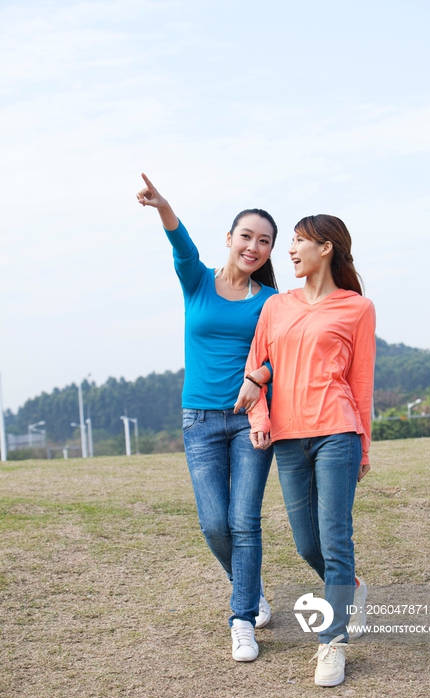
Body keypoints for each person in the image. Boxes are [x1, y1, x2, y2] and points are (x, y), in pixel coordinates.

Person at [136, 173, 278, 662]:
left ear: (270, 250)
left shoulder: (271, 301)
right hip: (198, 420)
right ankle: (252, 587)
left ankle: (242, 620)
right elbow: (181, 246)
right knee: (214, 523)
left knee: (244, 521)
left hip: (250, 419)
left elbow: (284, 356)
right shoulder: (197, 282)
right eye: (246, 236)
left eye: (264, 241)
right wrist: (164, 207)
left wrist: (258, 376)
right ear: (230, 239)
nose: (253, 246)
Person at [234, 214, 375, 686]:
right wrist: (259, 418)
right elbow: (259, 364)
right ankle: (350, 589)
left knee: (336, 540)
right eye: (289, 243)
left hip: (338, 431)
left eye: (298, 242)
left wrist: (364, 447)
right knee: (306, 543)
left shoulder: (357, 307)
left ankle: (331, 645)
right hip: (289, 437)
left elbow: (361, 384)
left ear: (327, 248)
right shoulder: (277, 306)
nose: (290, 251)